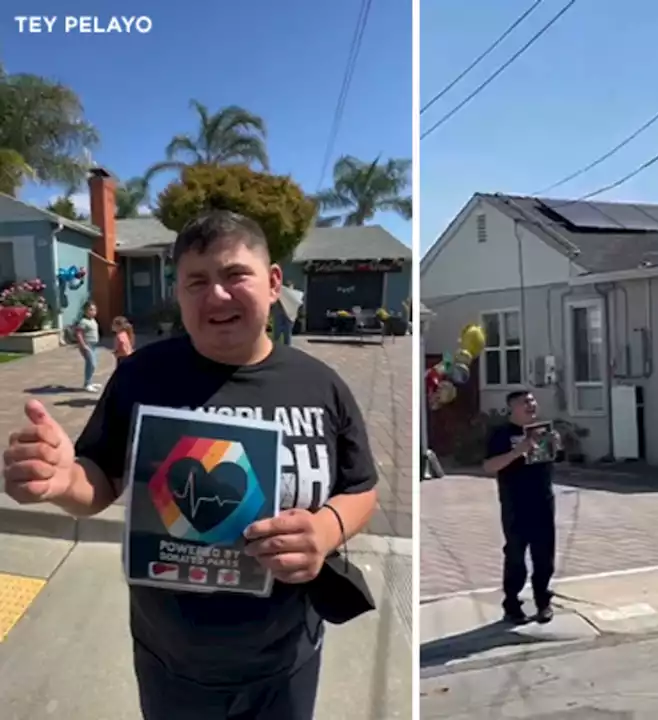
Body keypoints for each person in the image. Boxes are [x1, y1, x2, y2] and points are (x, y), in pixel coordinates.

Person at [1, 210, 380, 719]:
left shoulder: (321, 385)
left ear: (272, 284)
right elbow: (101, 480)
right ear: (179, 295)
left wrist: (327, 529)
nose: (216, 296)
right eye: (196, 281)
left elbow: (361, 488)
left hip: (287, 659)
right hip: (173, 666)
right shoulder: (142, 378)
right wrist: (61, 479)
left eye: (234, 275)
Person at [482, 390, 563, 625]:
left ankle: (543, 602)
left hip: (543, 500)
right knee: (516, 555)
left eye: (532, 400)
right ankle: (512, 604)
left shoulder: (543, 430)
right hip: (515, 503)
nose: (531, 405)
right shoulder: (501, 434)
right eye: (524, 402)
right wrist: (518, 451)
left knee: (544, 555)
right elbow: (489, 466)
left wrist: (556, 445)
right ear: (512, 408)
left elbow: (555, 459)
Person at [73, 301, 101, 392]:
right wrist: (83, 345)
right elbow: (78, 333)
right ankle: (87, 384)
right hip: (87, 345)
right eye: (91, 310)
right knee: (91, 364)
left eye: (94, 310)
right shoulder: (83, 321)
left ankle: (90, 382)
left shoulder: (93, 320)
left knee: (93, 364)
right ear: (85, 311)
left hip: (93, 346)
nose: (93, 312)